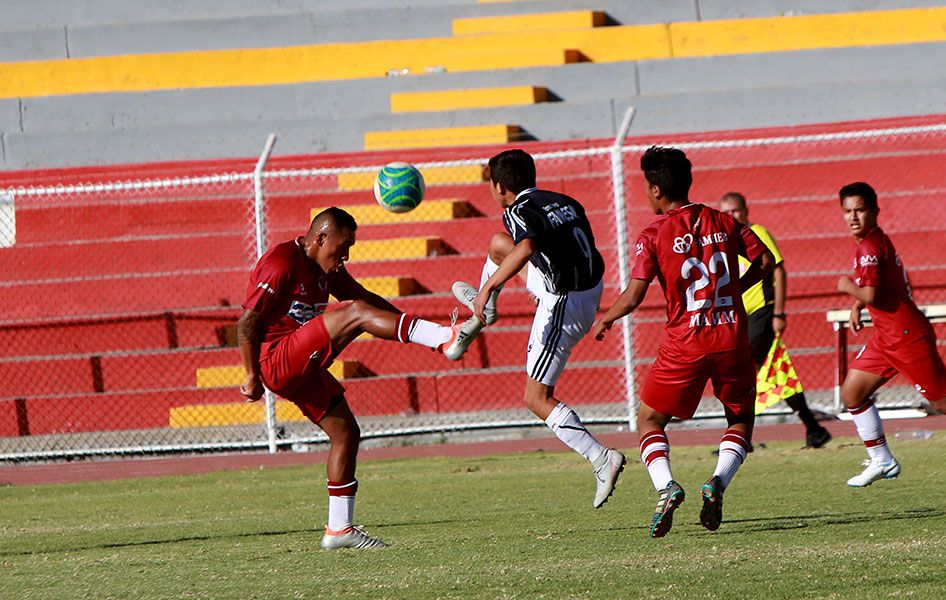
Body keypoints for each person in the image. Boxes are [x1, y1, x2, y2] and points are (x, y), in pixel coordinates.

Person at [237, 207, 469, 550]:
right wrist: (251, 374)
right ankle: (444, 340)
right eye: (342, 247)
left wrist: (421, 322)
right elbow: (246, 323)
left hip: (302, 362)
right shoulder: (281, 262)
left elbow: (364, 298)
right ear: (320, 238)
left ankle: (339, 529)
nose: (346, 255)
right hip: (277, 359)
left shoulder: (326, 270)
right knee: (355, 315)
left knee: (346, 432)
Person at [592, 147, 774, 538]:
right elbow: (765, 262)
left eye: (644, 185)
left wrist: (607, 316)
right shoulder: (724, 221)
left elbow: (636, 293)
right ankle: (718, 483)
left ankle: (666, 487)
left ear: (656, 189)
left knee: (650, 420)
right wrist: (732, 293)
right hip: (731, 336)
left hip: (685, 341)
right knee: (739, 418)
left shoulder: (654, 234)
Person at [448, 148, 628, 509]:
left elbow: (528, 247)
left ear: (499, 187)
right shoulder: (563, 199)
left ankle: (600, 458)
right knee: (499, 245)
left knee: (535, 397)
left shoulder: (517, 210)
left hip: (566, 300)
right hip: (583, 285)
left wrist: (489, 286)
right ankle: (479, 318)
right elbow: (580, 249)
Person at [836, 182, 946, 486]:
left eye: (859, 210)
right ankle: (882, 460)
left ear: (874, 211)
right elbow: (883, 286)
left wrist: (848, 288)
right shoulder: (873, 241)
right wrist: (858, 303)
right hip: (887, 338)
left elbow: (871, 292)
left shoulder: (869, 247)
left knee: (942, 403)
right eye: (847, 211)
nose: (853, 217)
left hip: (907, 337)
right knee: (852, 393)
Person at [719, 192, 832, 448]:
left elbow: (778, 271)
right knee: (776, 372)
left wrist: (779, 312)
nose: (731, 217)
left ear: (746, 211)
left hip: (762, 311)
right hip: (741, 317)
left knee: (739, 371)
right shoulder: (727, 242)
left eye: (735, 211)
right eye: (726, 213)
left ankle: (738, 438)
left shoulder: (757, 232)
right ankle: (814, 427)